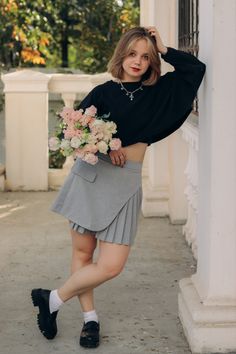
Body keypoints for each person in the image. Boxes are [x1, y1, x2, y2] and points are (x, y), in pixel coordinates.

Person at [31, 26, 206, 348]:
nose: (137, 61)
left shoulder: (161, 92)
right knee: (83, 254)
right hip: (91, 177)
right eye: (132, 53)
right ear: (121, 55)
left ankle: (52, 299)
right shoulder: (102, 93)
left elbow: (195, 69)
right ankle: (89, 319)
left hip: (126, 181)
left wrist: (165, 48)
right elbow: (73, 135)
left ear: (153, 61)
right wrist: (102, 146)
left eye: (146, 56)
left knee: (111, 265)